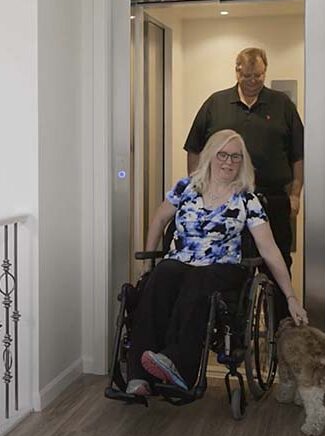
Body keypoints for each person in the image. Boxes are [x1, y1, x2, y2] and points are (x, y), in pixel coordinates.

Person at [126, 129, 307, 396]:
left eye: (236, 157)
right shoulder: (185, 188)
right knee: (163, 274)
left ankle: (177, 364)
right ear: (210, 155)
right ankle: (139, 377)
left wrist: (290, 296)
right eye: (223, 154)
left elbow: (269, 250)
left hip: (224, 268)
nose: (229, 162)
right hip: (182, 262)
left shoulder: (248, 200)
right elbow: (159, 220)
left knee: (200, 279)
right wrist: (148, 262)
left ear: (242, 162)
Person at [184, 47, 303, 329]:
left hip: (271, 199)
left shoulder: (282, 104)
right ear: (236, 71)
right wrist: (198, 184)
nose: (252, 80)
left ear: (266, 71)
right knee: (231, 265)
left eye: (258, 75)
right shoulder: (216, 103)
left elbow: (298, 154)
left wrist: (296, 193)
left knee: (277, 263)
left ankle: (283, 332)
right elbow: (194, 148)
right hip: (227, 200)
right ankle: (232, 329)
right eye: (247, 75)